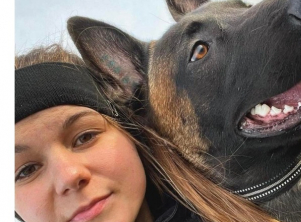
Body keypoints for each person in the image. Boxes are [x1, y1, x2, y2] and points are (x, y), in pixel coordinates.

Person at [15, 44, 279, 222]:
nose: (70, 176)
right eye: (25, 170)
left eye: (85, 137)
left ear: (130, 132)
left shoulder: (278, 196)